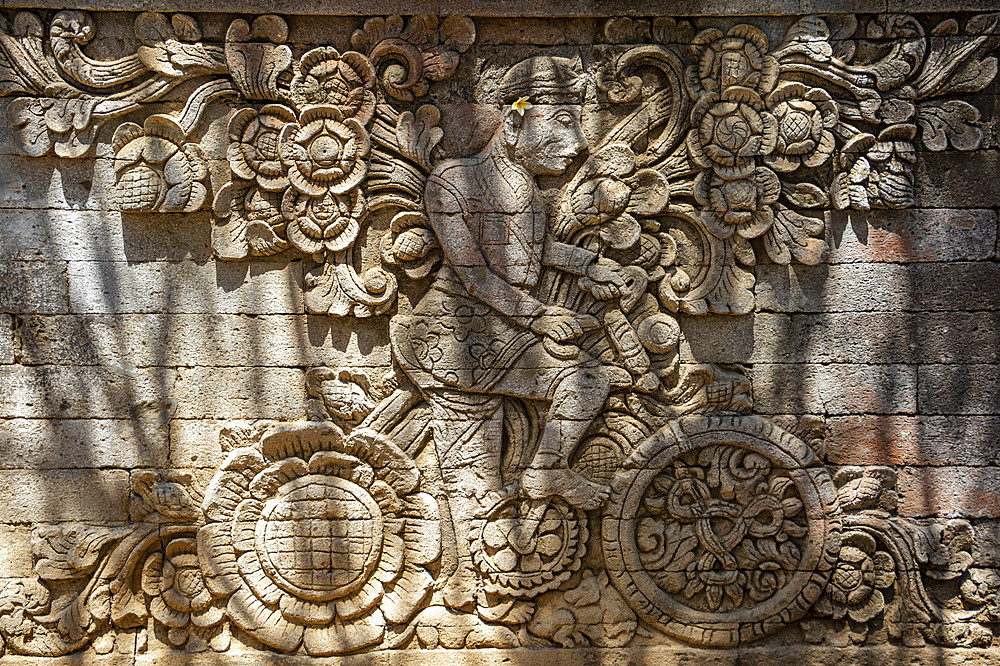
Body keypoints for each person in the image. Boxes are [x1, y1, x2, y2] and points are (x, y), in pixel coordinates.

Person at [390, 55, 623, 612]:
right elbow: (473, 275)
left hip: (498, 328)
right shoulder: (453, 181)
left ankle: (543, 472)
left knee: (586, 380)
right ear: (516, 122)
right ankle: (460, 594)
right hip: (454, 337)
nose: (577, 142)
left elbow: (531, 257)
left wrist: (588, 266)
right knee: (474, 482)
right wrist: (542, 318)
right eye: (562, 120)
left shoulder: (523, 188)